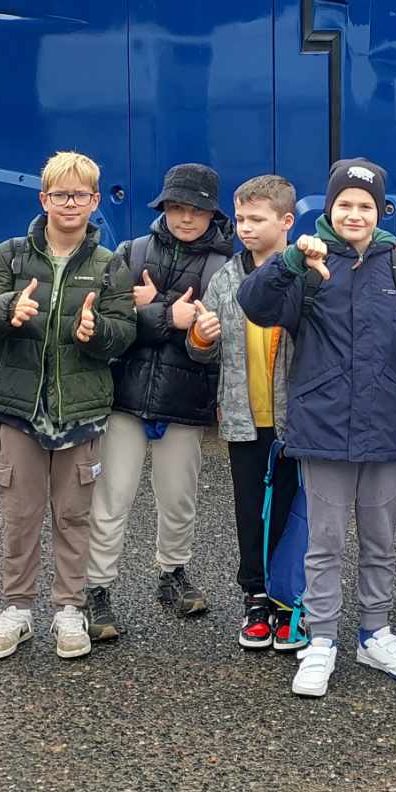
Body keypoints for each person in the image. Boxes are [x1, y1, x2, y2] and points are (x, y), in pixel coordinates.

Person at [240, 157, 396, 697]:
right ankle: (322, 640)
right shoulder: (306, 262)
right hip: (322, 426)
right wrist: (288, 261)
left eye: (366, 205)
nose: (355, 213)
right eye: (344, 204)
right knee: (325, 543)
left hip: (386, 429)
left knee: (380, 541)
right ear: (329, 209)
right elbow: (255, 305)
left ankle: (374, 633)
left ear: (380, 211)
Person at [0, 151, 138, 663]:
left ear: (94, 201)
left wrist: (96, 332)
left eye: (80, 195)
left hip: (80, 414)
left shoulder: (109, 266)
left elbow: (123, 332)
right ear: (44, 199)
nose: (70, 203)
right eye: (60, 194)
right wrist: (6, 309)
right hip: (18, 409)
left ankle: (68, 609)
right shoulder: (12, 256)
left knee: (74, 515)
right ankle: (17, 610)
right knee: (20, 514)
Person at [84, 163, 235, 640]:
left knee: (179, 499)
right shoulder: (133, 251)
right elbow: (112, 328)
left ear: (212, 212)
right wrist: (165, 314)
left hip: (185, 399)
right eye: (176, 207)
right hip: (125, 398)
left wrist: (156, 315)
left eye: (196, 209)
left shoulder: (227, 265)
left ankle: (173, 574)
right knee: (112, 498)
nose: (185, 218)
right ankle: (97, 588)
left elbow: (216, 345)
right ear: (163, 208)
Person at [187, 174, 310, 652]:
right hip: (243, 420)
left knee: (292, 513)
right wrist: (201, 336)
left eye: (256, 219)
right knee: (250, 515)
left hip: (294, 421)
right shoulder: (225, 277)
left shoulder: (302, 272)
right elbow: (201, 352)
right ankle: (255, 600)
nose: (245, 228)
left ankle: (288, 604)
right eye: (240, 218)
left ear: (286, 222)